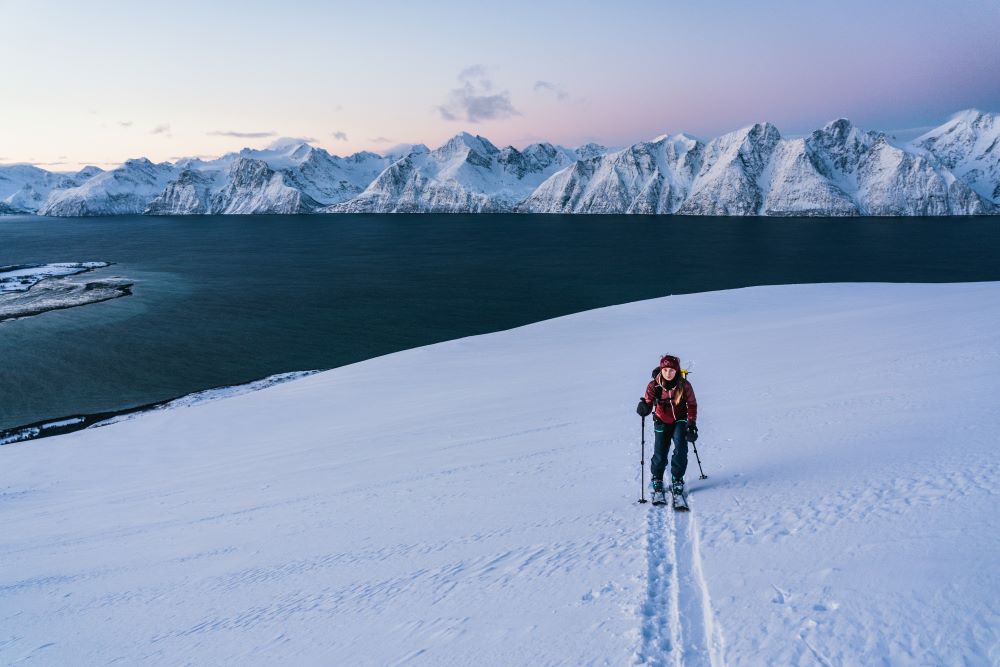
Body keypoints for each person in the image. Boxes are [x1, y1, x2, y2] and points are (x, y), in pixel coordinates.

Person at [635, 354, 698, 496]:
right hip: (661, 420)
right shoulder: (654, 385)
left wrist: (691, 424)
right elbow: (648, 402)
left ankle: (677, 478)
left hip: (680, 420)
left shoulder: (684, 385)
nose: (668, 373)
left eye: (671, 370)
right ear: (661, 370)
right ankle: (657, 477)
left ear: (676, 371)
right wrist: (644, 407)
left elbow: (692, 405)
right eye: (665, 370)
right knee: (660, 451)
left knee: (681, 449)